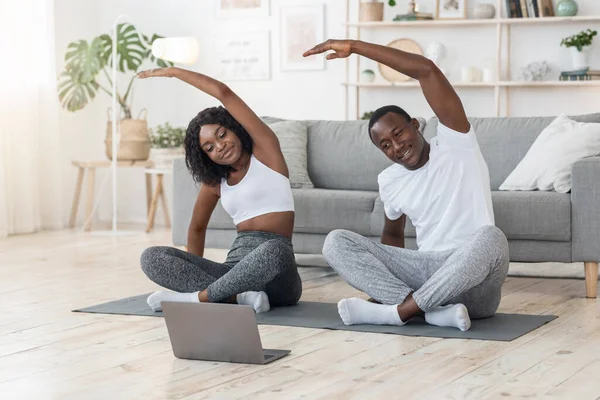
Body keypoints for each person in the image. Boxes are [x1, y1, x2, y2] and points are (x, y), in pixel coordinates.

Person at [303, 39, 509, 331]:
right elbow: (392, 237)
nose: (397, 147)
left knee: (492, 237)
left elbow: (426, 70)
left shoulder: (457, 143)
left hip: (475, 284)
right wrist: (384, 283)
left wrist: (355, 47)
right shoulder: (389, 180)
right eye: (385, 145)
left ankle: (400, 312)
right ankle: (426, 310)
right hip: (426, 272)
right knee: (335, 241)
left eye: (398, 134)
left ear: (415, 124)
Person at [136, 66, 302, 313]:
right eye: (209, 147)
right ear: (206, 157)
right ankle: (234, 297)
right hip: (232, 272)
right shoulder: (216, 183)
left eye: (222, 134)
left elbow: (224, 93)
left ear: (234, 128)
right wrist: (196, 266)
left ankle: (198, 299)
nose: (220, 146)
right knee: (151, 257)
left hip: (278, 274)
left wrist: (174, 72)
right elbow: (196, 228)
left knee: (274, 249)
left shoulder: (266, 153)